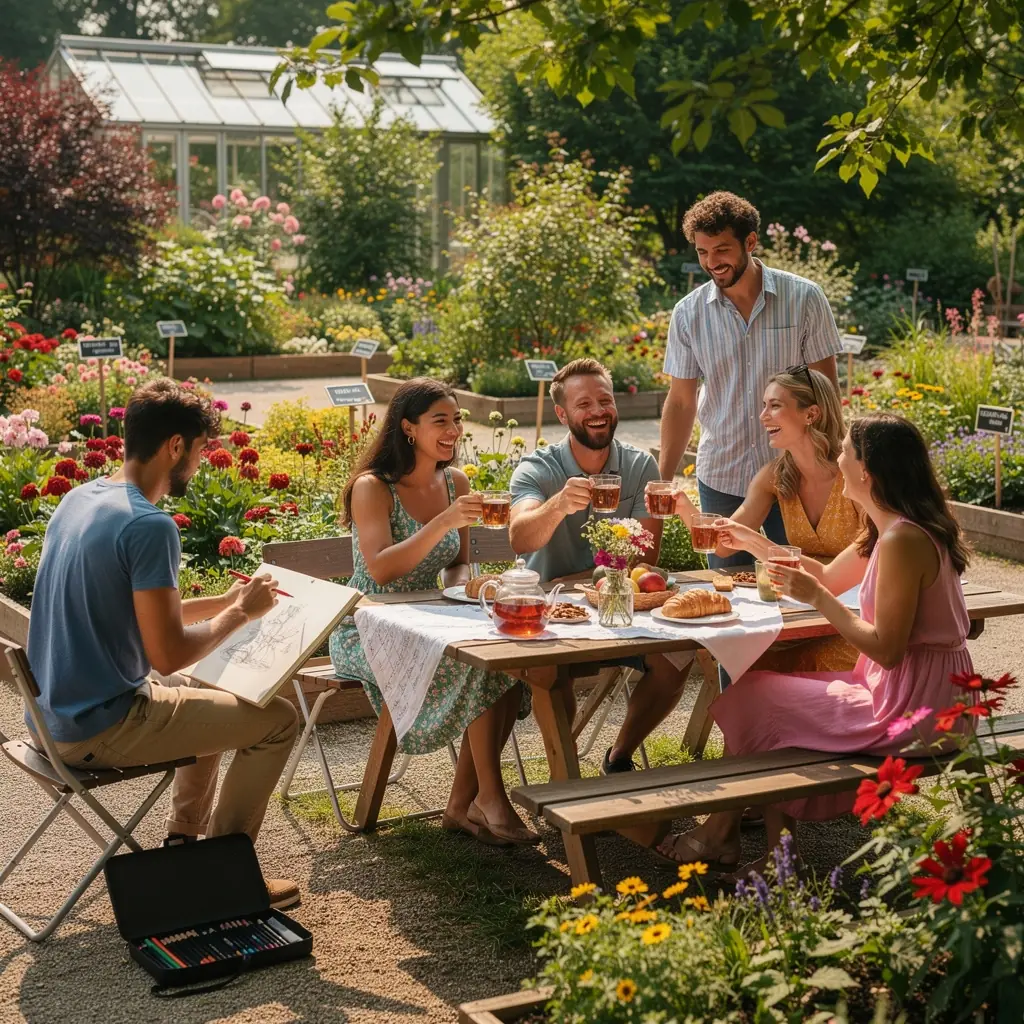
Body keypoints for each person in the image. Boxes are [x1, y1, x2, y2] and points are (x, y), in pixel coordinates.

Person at [654, 414, 974, 871]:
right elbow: (824, 574)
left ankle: (742, 845)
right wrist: (750, 539)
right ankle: (761, 850)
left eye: (846, 452)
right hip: (928, 690)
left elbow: (886, 649)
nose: (838, 460)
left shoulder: (902, 540)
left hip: (917, 707)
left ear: (867, 471)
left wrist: (819, 599)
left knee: (761, 699)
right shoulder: (893, 528)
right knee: (765, 689)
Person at [28, 379, 301, 908]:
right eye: (200, 450)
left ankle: (185, 843)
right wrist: (240, 614)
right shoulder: (149, 526)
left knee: (207, 692)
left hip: (48, 718)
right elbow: (168, 654)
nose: (200, 463)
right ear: (176, 446)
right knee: (279, 721)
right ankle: (227, 877)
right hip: (96, 727)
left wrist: (224, 601)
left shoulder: (82, 499)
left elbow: (139, 611)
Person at [330, 377, 539, 846]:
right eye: (440, 421)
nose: (453, 431)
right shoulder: (372, 487)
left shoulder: (455, 482)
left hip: (429, 617)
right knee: (477, 668)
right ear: (408, 427)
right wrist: (443, 520)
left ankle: (463, 806)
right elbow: (381, 570)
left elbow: (458, 563)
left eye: (457, 420)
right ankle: (491, 800)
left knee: (505, 663)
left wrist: (468, 591)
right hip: (369, 625)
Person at [509, 358, 688, 775]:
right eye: (584, 404)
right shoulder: (538, 468)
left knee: (678, 657)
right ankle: (565, 776)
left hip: (618, 606)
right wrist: (558, 505)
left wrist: (598, 582)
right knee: (549, 671)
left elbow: (646, 559)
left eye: (604, 400)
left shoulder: (639, 465)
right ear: (562, 414)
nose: (598, 411)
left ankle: (618, 758)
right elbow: (520, 537)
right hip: (553, 612)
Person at [658, 190, 843, 570]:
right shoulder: (688, 314)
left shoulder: (804, 299)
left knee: (797, 586)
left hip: (796, 476)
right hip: (721, 474)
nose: (712, 262)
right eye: (702, 252)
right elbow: (680, 401)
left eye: (722, 250)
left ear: (751, 242)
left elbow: (825, 392)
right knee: (727, 591)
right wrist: (663, 478)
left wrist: (829, 468)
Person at [712, 365, 864, 672]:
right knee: (747, 655)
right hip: (807, 611)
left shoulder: (856, 474)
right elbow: (723, 545)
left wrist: (753, 541)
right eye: (764, 405)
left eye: (775, 406)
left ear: (811, 414)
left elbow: (831, 580)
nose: (763, 416)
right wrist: (682, 506)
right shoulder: (776, 476)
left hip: (860, 620)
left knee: (790, 663)